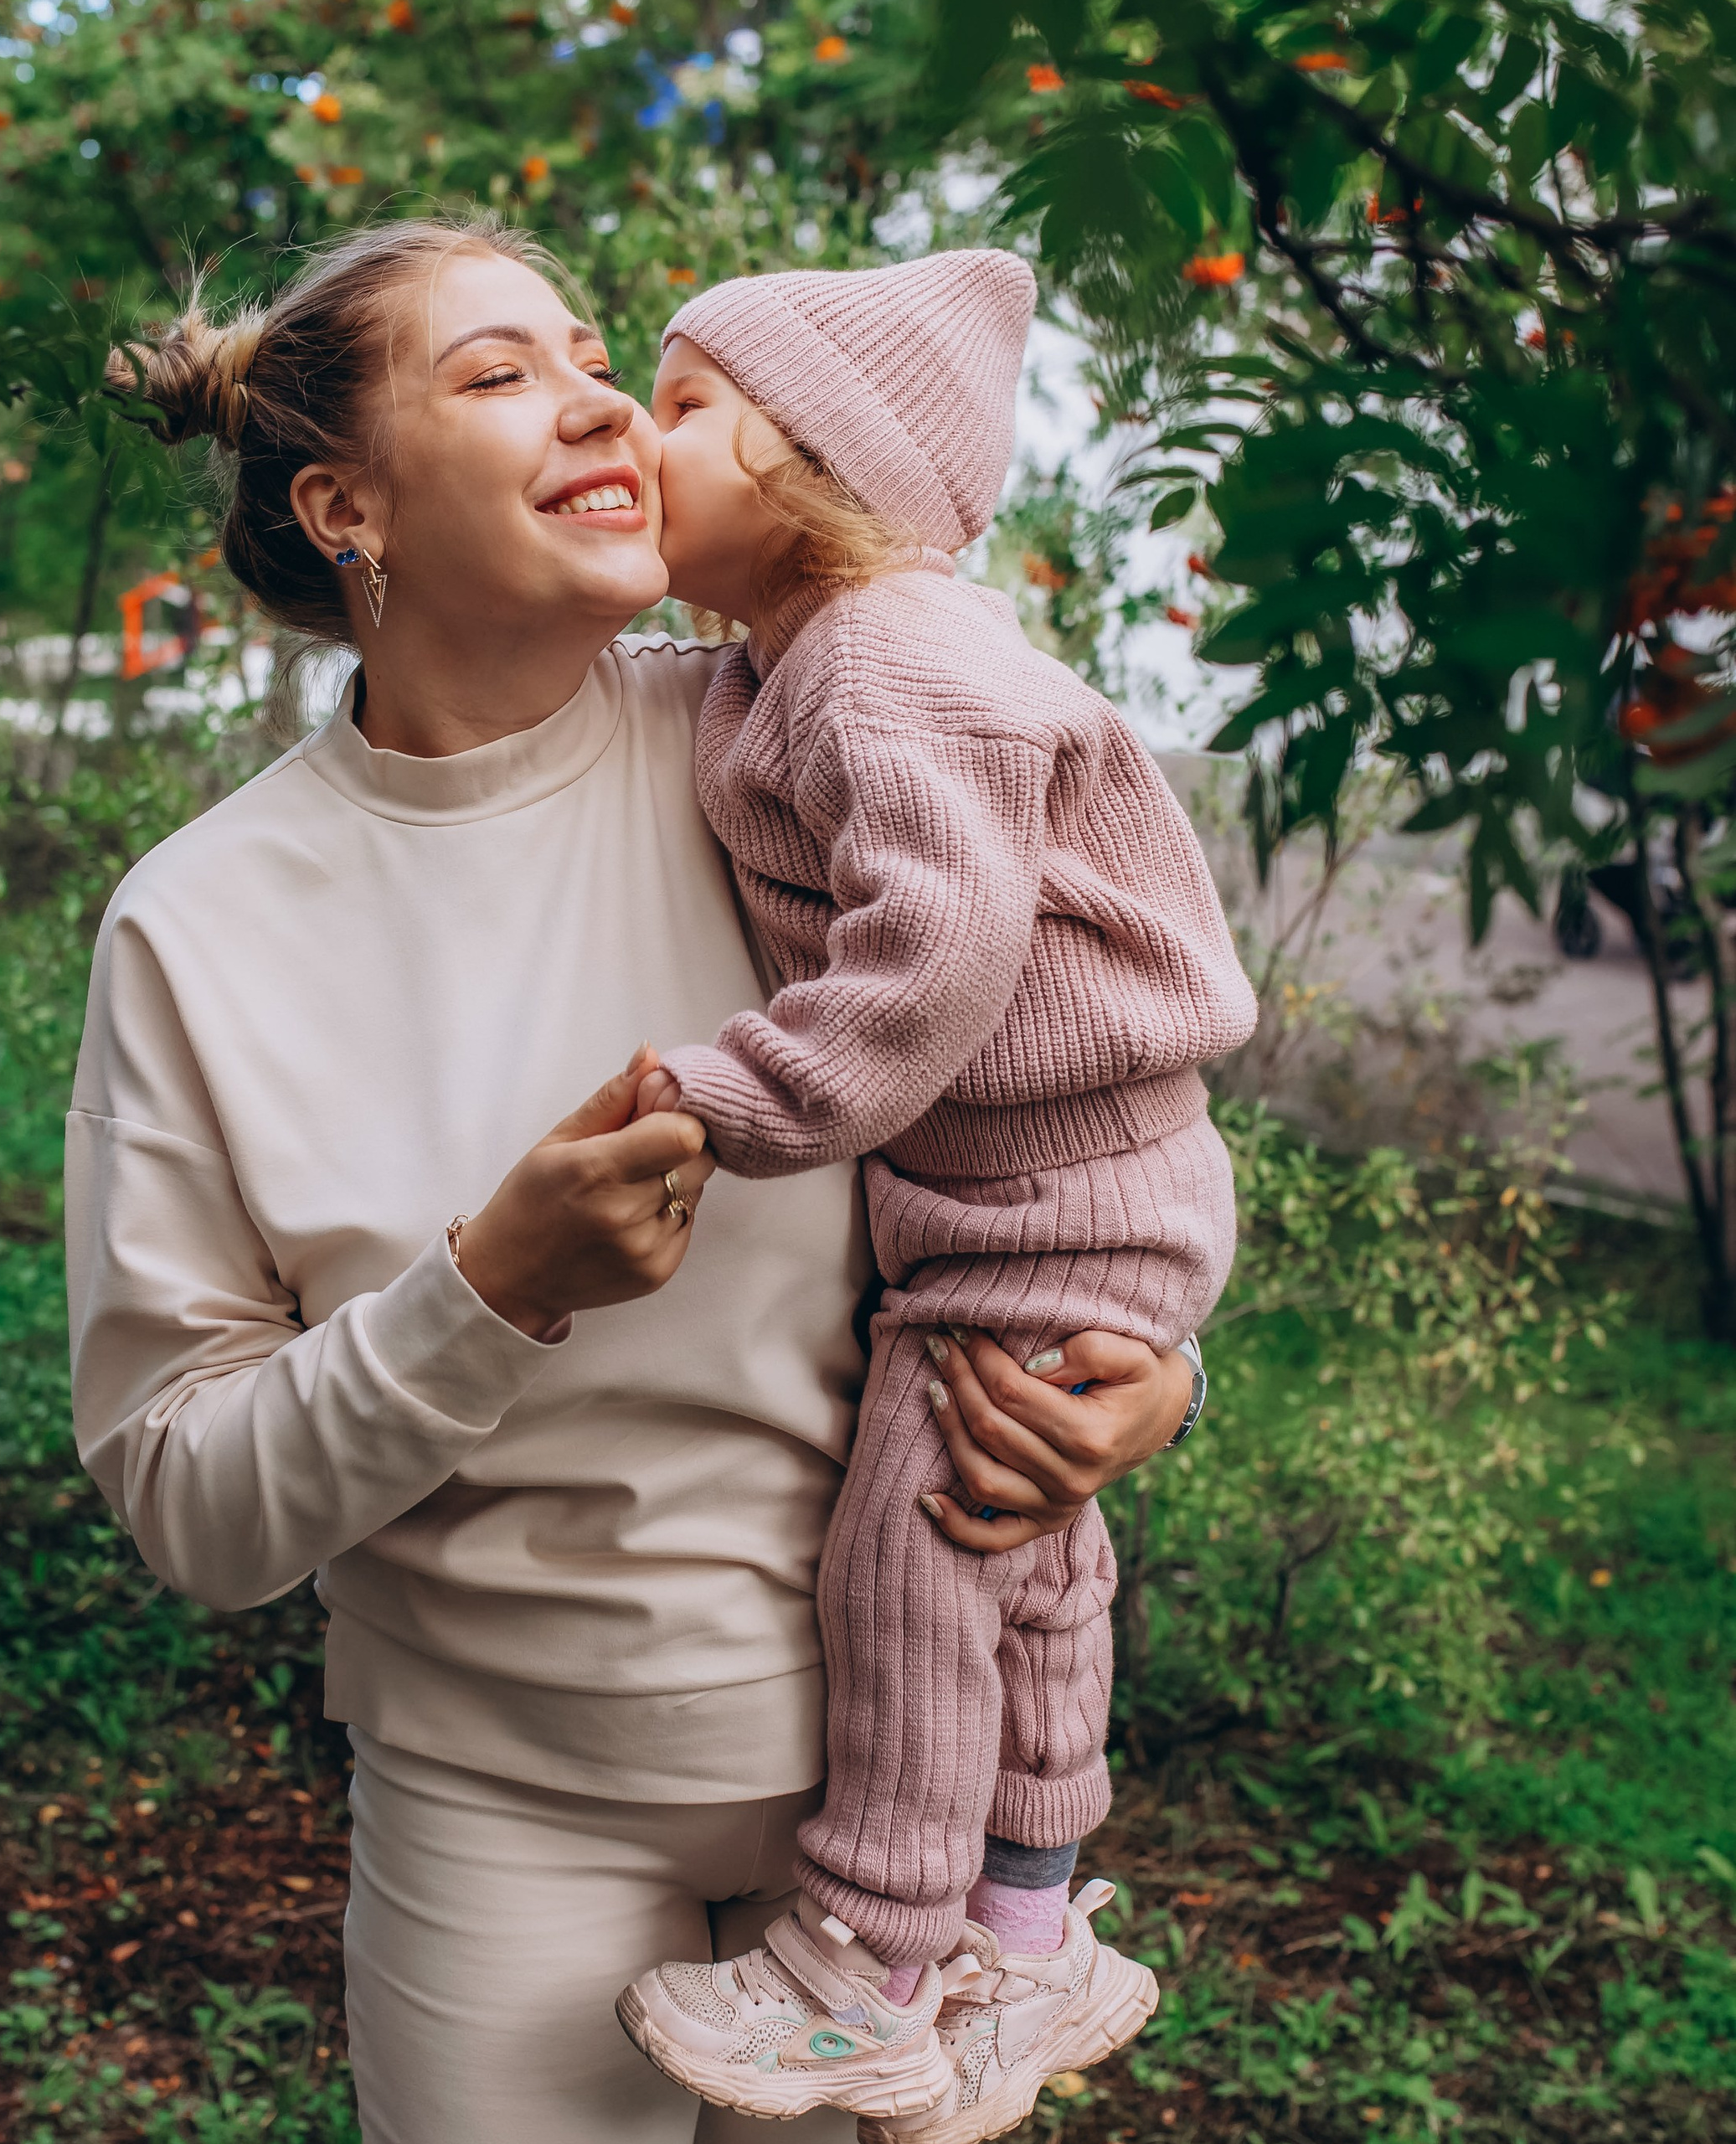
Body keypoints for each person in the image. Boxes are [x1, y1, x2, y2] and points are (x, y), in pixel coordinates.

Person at [67, 214, 1206, 2144]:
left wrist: (1138, 1361)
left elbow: (1085, 1086)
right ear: (347, 506)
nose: (600, 398)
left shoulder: (808, 735)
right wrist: (481, 1292)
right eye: (499, 371)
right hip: (496, 1805)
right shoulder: (201, 927)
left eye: (596, 356)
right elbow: (189, 1501)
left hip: (895, 1813)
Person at [614, 254, 1256, 2141]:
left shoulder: (892, 657)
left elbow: (935, 957)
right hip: (1069, 1180)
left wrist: (730, 1097)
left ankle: (867, 1962)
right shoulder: (781, 660)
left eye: (672, 406)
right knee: (1025, 1552)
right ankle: (1026, 1919)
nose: (635, 444)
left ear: (804, 465)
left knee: (913, 1547)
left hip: (1047, 1183)